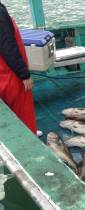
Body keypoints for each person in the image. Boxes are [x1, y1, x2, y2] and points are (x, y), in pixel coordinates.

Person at [0, 2, 41, 136]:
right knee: (22, 109)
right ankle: (29, 138)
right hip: (9, 73)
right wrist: (24, 75)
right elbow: (8, 46)